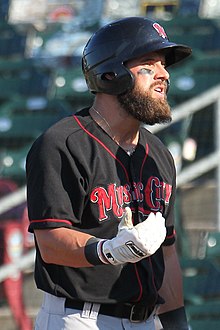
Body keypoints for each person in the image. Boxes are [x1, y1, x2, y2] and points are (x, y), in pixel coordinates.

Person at [26, 16, 192, 330]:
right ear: (111, 74)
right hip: (79, 317)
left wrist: (177, 325)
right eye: (149, 63)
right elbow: (50, 243)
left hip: (147, 320)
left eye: (164, 65)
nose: (163, 74)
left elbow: (167, 254)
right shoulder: (62, 144)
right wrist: (109, 250)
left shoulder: (158, 154)